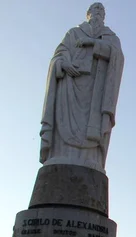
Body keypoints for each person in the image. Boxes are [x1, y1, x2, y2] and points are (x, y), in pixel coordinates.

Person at [40, 2, 124, 173]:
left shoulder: (110, 36)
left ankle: (89, 158)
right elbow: (58, 55)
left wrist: (93, 44)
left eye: (102, 10)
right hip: (70, 84)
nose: (99, 12)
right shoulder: (73, 33)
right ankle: (60, 153)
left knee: (90, 131)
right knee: (64, 120)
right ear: (88, 13)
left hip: (95, 90)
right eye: (95, 9)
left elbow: (118, 57)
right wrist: (63, 64)